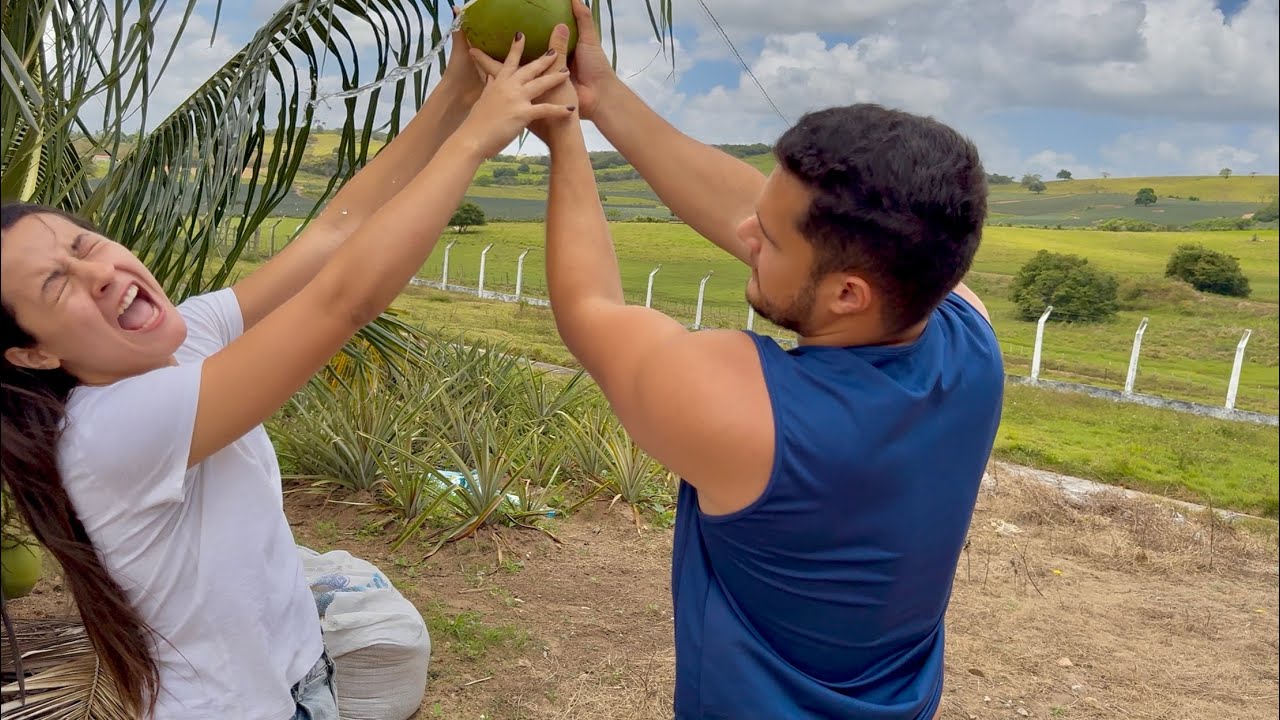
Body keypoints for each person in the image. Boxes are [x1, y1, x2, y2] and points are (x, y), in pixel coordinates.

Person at [0, 29, 574, 719]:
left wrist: (456, 90)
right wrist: (475, 139)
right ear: (32, 353)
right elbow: (343, 300)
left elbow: (336, 232)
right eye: (56, 285)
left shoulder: (182, 340)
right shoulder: (110, 429)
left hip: (299, 677)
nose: (98, 273)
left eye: (84, 244)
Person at [498, 4, 1005, 718]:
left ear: (848, 294)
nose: (743, 232)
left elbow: (589, 307)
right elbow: (783, 224)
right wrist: (602, 97)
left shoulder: (745, 413)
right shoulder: (969, 334)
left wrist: (564, 134)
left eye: (767, 237)